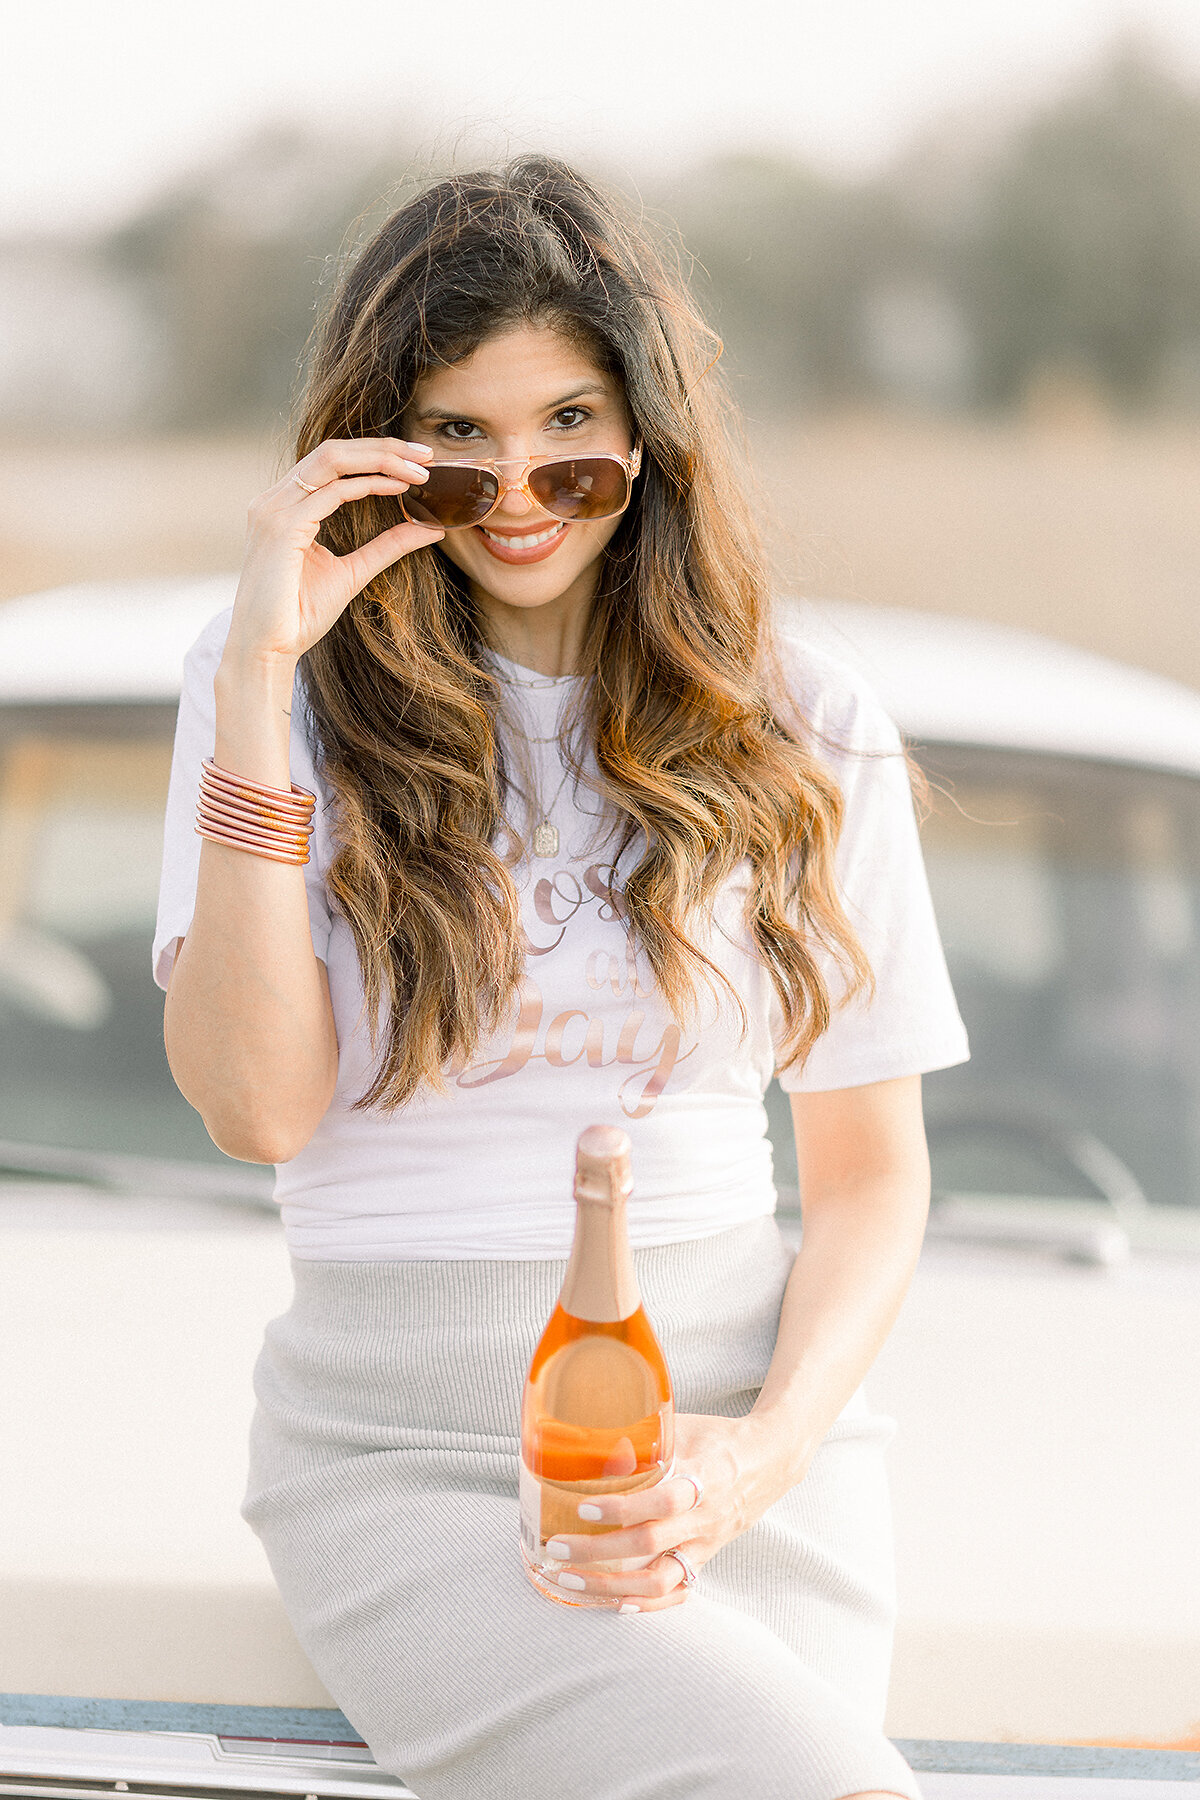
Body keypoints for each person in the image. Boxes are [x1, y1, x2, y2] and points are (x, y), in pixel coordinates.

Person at [153, 156, 968, 1800]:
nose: (516, 489)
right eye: (458, 440)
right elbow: (257, 1110)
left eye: (568, 432)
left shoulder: (805, 720)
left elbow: (872, 1178)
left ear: (647, 438)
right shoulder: (280, 702)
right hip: (410, 1458)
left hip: (744, 1448)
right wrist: (258, 678)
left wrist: (756, 1460)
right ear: (379, 449)